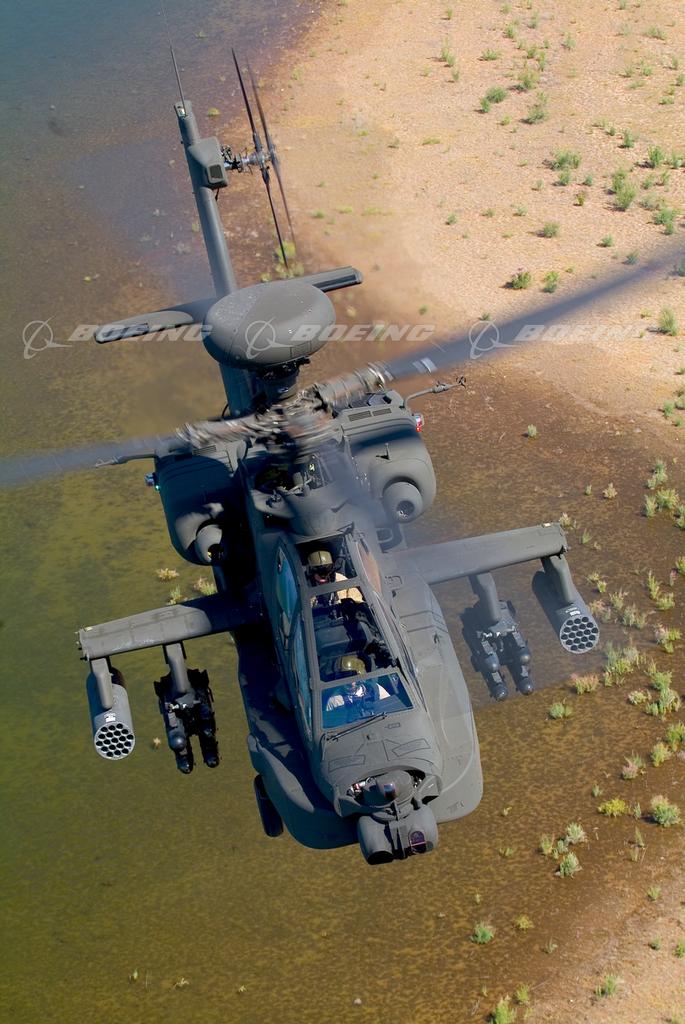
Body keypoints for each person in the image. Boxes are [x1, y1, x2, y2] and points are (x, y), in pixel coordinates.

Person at [324, 656, 390, 710]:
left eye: (354, 678)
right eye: (346, 679)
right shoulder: (335, 701)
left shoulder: (375, 689)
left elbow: (390, 706)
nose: (351, 683)